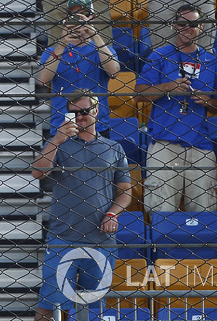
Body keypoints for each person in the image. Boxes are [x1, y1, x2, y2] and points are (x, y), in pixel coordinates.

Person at [32, 90, 132, 321]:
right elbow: (38, 171)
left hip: (100, 239)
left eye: (85, 111)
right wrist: (56, 139)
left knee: (92, 307)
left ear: (96, 111)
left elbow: (125, 192)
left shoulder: (113, 148)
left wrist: (112, 214)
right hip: (63, 237)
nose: (80, 116)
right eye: (74, 112)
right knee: (50, 305)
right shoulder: (59, 144)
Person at [135, 4, 217, 213]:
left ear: (201, 27)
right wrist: (169, 87)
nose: (187, 27)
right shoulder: (159, 55)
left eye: (192, 23)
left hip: (200, 145)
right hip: (164, 143)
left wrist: (208, 101)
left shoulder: (212, 61)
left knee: (204, 213)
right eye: (182, 23)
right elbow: (138, 94)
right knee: (162, 212)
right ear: (174, 26)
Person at [38, 0, 120, 138]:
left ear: (92, 17)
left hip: (96, 126)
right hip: (64, 125)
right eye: (74, 15)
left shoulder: (102, 50)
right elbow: (43, 80)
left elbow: (114, 72)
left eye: (84, 14)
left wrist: (95, 35)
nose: (79, 18)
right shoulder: (52, 52)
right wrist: (62, 43)